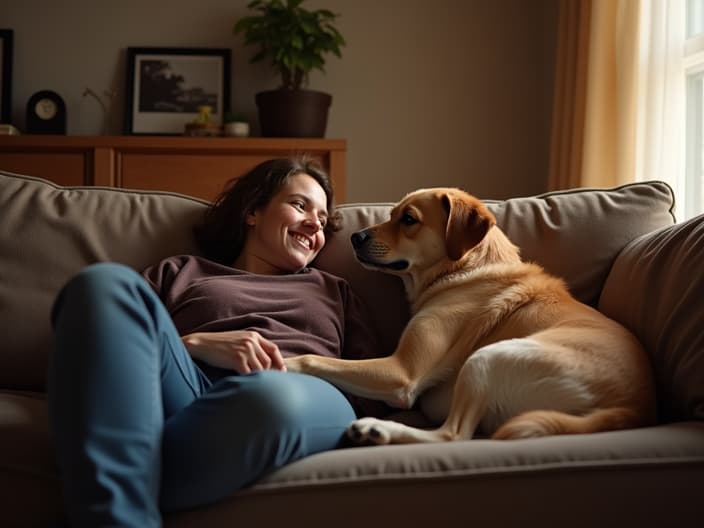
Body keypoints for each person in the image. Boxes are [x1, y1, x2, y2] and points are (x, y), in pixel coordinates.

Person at [47, 156, 381, 527]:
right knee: (102, 284)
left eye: (321, 219)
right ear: (253, 210)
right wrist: (195, 343)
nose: (313, 223)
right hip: (187, 392)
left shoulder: (335, 290)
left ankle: (115, 495)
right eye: (300, 205)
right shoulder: (182, 271)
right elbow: (112, 344)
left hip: (297, 393)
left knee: (269, 397)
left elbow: (374, 385)